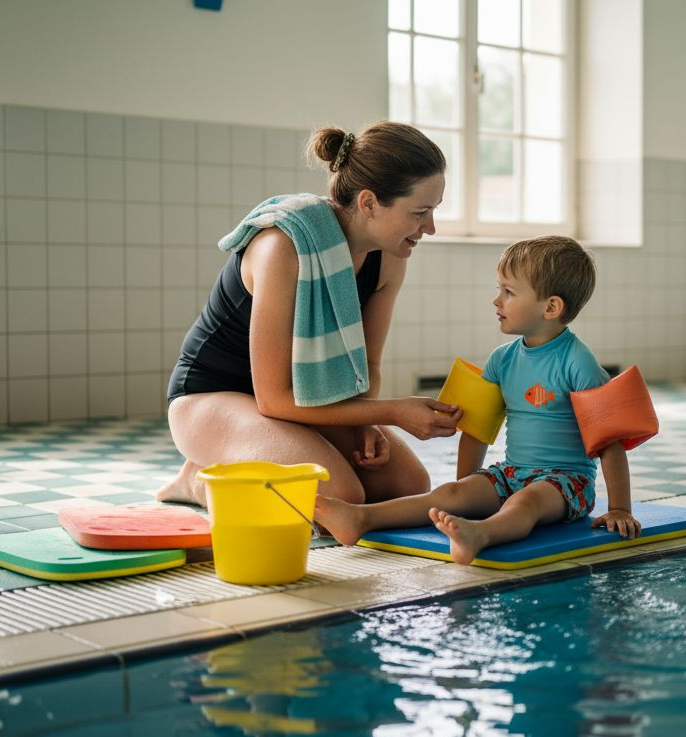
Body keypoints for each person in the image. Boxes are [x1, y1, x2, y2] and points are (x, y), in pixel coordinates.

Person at [157, 122, 462, 507]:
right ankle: (199, 479)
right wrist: (394, 412)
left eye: (433, 211)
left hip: (297, 403)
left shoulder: (389, 257)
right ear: (368, 203)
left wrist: (366, 420)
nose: (430, 228)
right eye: (420, 212)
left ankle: (254, 457)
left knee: (407, 484)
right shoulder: (282, 248)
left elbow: (366, 363)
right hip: (213, 398)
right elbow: (273, 401)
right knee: (340, 495)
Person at [315, 235, 637, 565]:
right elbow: (477, 430)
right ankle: (360, 518)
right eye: (500, 289)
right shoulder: (502, 360)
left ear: (551, 307)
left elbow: (609, 442)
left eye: (509, 292)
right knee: (447, 495)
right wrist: (466, 489)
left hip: (566, 482)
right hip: (512, 471)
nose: (496, 301)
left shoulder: (578, 362)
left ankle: (478, 535)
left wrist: (619, 509)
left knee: (525, 503)